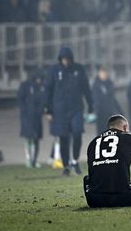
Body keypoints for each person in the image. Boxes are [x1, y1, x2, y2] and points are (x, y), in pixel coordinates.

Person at [44, 47, 94, 176]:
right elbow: (48, 90)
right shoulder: (54, 71)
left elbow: (86, 89)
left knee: (77, 133)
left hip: (76, 109)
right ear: (60, 59)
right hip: (59, 111)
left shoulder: (79, 69)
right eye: (63, 59)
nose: (66, 61)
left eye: (67, 59)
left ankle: (75, 160)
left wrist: (91, 106)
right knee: (63, 138)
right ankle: (66, 165)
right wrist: (48, 110)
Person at [18, 70, 45, 168]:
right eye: (38, 79)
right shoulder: (25, 85)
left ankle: (34, 160)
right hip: (26, 117)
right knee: (27, 138)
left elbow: (43, 100)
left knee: (36, 139)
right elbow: (20, 99)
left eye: (40, 79)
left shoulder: (42, 87)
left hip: (37, 117)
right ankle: (28, 160)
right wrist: (24, 111)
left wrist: (40, 111)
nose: (39, 81)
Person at [91, 65, 123, 135]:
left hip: (110, 113)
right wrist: (95, 111)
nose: (104, 75)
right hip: (100, 114)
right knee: (101, 134)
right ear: (99, 74)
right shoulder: (96, 85)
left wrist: (119, 111)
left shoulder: (110, 84)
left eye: (105, 73)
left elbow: (113, 100)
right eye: (102, 73)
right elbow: (95, 99)